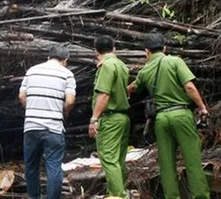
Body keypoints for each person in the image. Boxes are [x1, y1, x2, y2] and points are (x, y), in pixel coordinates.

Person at [128, 33, 209, 199]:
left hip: (161, 119)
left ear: (147, 52)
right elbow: (190, 87)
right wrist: (202, 108)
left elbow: (131, 88)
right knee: (192, 160)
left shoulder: (145, 70)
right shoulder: (175, 61)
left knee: (166, 164)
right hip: (181, 115)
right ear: (164, 48)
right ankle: (200, 196)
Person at [18, 45, 76, 199]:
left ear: (48, 57)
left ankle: (34, 197)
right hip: (53, 128)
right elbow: (70, 101)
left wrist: (31, 109)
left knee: (31, 166)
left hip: (31, 126)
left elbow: (21, 96)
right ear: (65, 60)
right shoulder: (67, 74)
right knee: (54, 167)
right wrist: (62, 110)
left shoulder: (32, 71)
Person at [88, 35, 130, 198]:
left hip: (110, 118)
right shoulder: (122, 65)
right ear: (114, 48)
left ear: (96, 51)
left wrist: (94, 119)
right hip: (123, 117)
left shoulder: (106, 66)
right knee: (119, 160)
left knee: (109, 159)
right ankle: (117, 192)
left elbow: (104, 95)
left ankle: (118, 195)